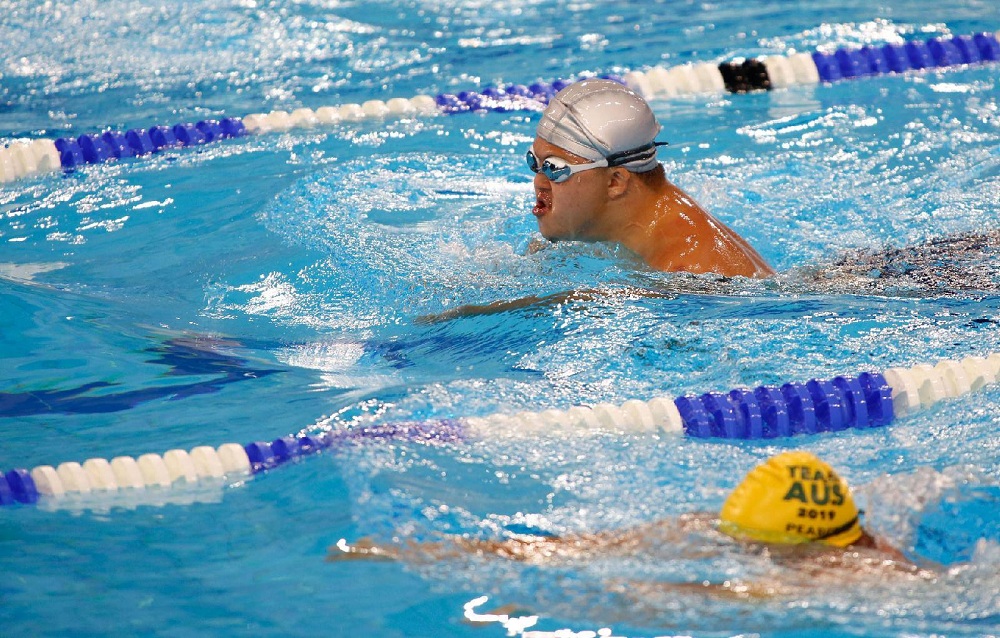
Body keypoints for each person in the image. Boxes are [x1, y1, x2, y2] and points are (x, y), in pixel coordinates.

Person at [328, 451, 936, 598]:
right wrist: (448, 551)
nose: (744, 552)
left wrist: (554, 595)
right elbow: (580, 548)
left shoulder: (867, 577)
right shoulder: (729, 528)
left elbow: (709, 601)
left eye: (755, 546)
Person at [526, 78, 774, 278]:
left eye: (554, 168)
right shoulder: (626, 227)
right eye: (534, 162)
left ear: (615, 182)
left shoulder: (692, 274)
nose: (539, 182)